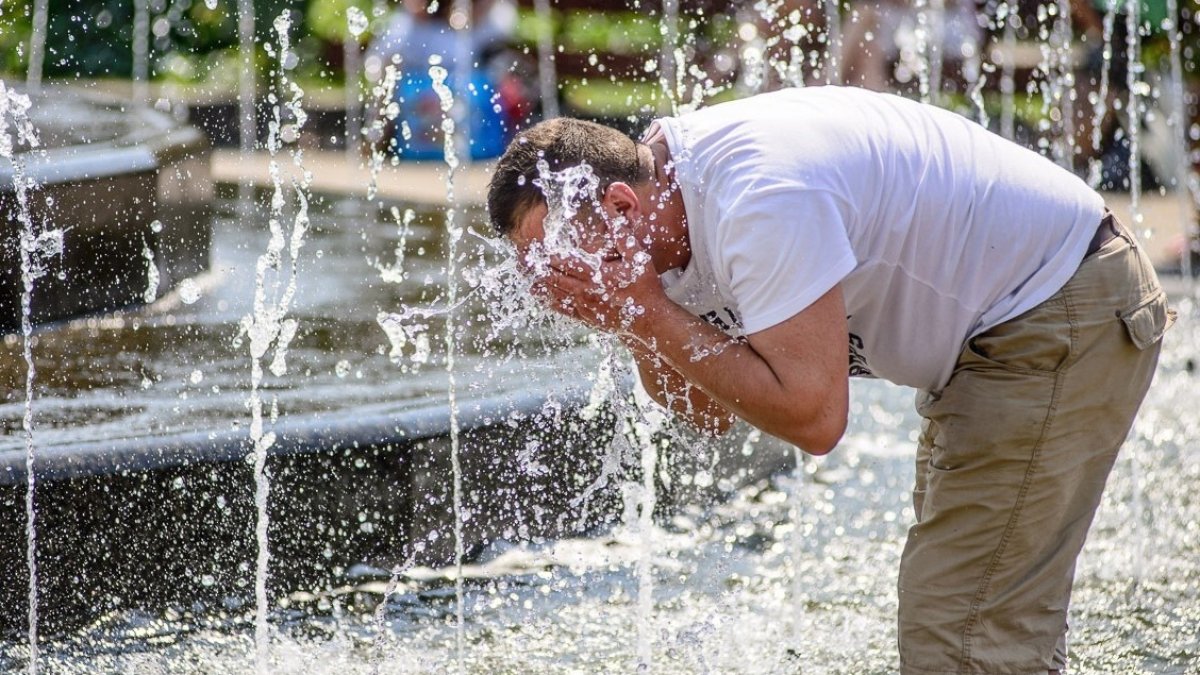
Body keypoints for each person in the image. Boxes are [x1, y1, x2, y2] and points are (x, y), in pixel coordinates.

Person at [485, 85, 1175, 673]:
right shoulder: (663, 210)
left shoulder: (755, 199)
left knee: (963, 626)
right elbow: (707, 409)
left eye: (552, 251)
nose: (551, 280)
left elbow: (814, 418)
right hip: (1001, 329)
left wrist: (647, 312)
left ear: (619, 207)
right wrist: (634, 318)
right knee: (972, 613)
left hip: (1056, 304)